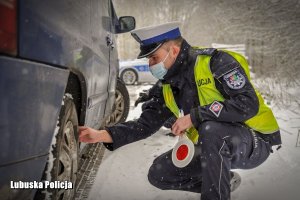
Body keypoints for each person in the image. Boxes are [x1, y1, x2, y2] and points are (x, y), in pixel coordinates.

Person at [79, 22, 281, 200]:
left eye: (154, 58)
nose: (151, 65)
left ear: (174, 51)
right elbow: (144, 125)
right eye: (148, 60)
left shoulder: (215, 62)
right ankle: (222, 181)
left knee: (211, 129)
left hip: (255, 141)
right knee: (160, 173)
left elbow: (248, 103)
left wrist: (195, 117)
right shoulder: (167, 85)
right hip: (212, 144)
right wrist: (102, 135)